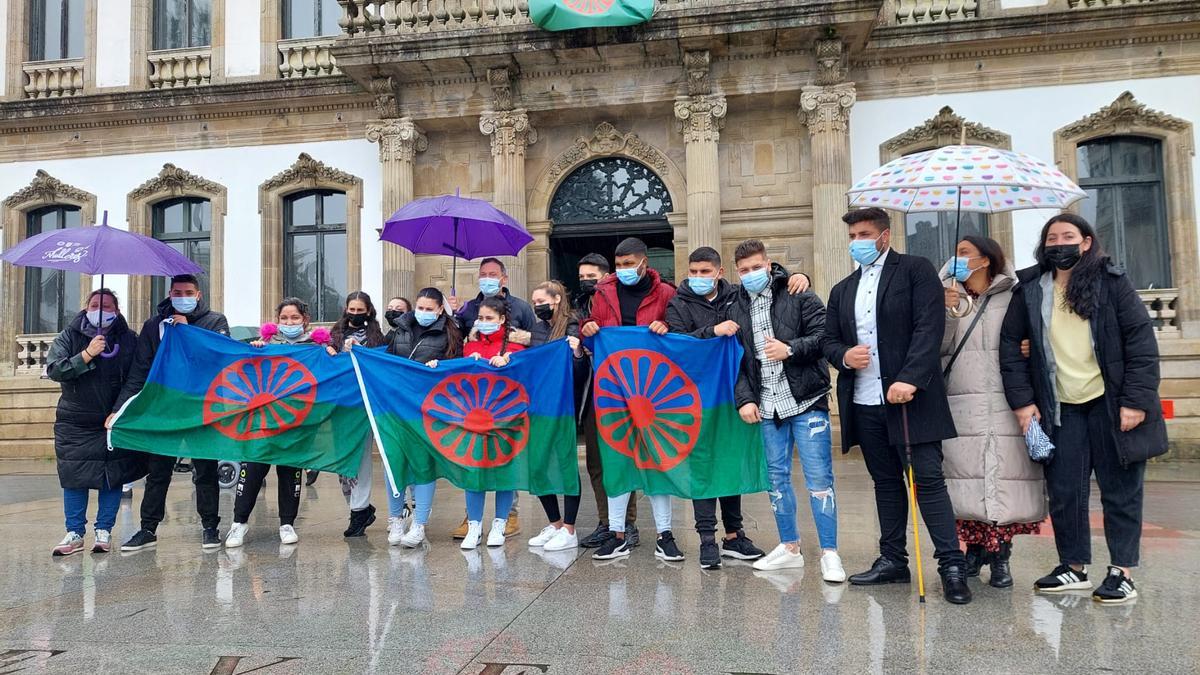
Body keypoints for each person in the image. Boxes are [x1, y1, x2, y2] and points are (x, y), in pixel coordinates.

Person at [1000, 214, 1166, 604]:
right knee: (1065, 491)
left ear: (1086, 242)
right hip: (1061, 407)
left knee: (1120, 490)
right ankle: (1072, 566)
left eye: (1068, 236)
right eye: (1052, 237)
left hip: (1111, 405)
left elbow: (1141, 344)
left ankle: (1121, 571)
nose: (1060, 243)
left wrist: (1135, 402)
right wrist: (1024, 405)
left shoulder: (1112, 283)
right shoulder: (1029, 289)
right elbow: (1011, 349)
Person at [821, 207, 971, 605]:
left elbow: (929, 326)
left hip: (911, 398)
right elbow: (828, 339)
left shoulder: (915, 271)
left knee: (927, 480)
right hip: (865, 400)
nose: (858, 242)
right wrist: (843, 355)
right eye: (853, 235)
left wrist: (910, 377)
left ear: (885, 236)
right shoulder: (842, 289)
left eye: (865, 234)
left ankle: (951, 564)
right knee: (885, 483)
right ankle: (892, 559)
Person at [719, 240, 846, 582]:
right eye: (743, 270)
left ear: (768, 264)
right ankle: (789, 547)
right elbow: (736, 362)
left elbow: (825, 338)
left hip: (806, 400)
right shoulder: (733, 306)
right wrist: (744, 399)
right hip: (767, 406)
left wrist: (790, 348)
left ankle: (830, 553)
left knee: (819, 479)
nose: (750, 275)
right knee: (776, 480)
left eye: (755, 267)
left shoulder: (798, 293)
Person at [940, 236, 1046, 589]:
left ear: (985, 260)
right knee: (966, 481)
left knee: (1003, 480)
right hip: (961, 402)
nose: (957, 259)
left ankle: (1001, 557)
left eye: (964, 254)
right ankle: (972, 551)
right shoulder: (946, 294)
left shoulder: (1015, 296)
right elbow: (936, 348)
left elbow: (1034, 338)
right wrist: (947, 311)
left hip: (1005, 401)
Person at [664, 246, 767, 570]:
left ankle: (735, 536)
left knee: (730, 464)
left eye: (705, 272)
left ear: (720, 273)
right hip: (696, 400)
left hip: (735, 395)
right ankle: (707, 540)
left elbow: (770, 290)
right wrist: (712, 331)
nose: (698, 277)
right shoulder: (678, 304)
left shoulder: (738, 296)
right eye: (693, 272)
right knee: (703, 468)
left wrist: (798, 278)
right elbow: (679, 346)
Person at [110, 274, 230, 552]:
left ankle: (210, 527)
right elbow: (140, 371)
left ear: (198, 295)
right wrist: (119, 409)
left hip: (202, 408)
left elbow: (221, 360)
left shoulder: (215, 321)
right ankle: (148, 528)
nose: (183, 296)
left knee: (205, 471)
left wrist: (190, 334)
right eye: (177, 292)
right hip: (164, 409)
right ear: (170, 293)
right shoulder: (154, 326)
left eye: (188, 292)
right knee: (158, 471)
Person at [581, 237, 681, 562]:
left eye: (628, 264)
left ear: (643, 263)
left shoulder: (667, 293)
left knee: (656, 459)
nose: (623, 270)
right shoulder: (603, 292)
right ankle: (618, 533)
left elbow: (679, 328)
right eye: (618, 264)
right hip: (612, 390)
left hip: (653, 392)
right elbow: (588, 327)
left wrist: (666, 326)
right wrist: (589, 326)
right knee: (616, 460)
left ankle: (665, 534)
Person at [225, 298, 329, 548]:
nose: (289, 323)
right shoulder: (264, 346)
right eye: (284, 319)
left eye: (294, 318)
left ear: (305, 320)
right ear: (277, 321)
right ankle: (239, 523)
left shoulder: (316, 348)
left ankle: (287, 524)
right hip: (264, 420)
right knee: (252, 469)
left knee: (290, 471)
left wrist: (330, 353)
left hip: (296, 422)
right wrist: (256, 351)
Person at [48, 289, 145, 555]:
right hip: (76, 420)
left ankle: (104, 530)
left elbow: (137, 378)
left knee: (112, 475)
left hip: (112, 420)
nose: (100, 309)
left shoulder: (129, 339)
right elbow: (55, 370)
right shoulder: (69, 336)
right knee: (74, 474)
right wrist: (87, 355)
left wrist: (118, 411)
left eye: (107, 305)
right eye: (94, 304)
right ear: (85, 307)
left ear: (117, 310)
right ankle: (74, 532)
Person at [448, 257, 533, 539]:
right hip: (475, 411)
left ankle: (507, 516)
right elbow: (456, 336)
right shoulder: (469, 309)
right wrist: (451, 312)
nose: (487, 278)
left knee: (505, 464)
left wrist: (510, 358)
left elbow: (536, 344)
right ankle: (472, 520)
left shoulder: (521, 307)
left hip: (506, 409)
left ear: (504, 278)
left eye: (492, 274)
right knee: (474, 465)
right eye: (483, 274)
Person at [384, 287, 463, 547]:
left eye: (430, 309)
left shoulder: (451, 332)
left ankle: (419, 524)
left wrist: (441, 368)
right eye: (420, 307)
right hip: (396, 407)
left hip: (427, 410)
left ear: (440, 309)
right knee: (392, 463)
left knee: (422, 465)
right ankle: (395, 519)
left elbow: (457, 369)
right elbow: (385, 358)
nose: (424, 313)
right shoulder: (400, 329)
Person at [526, 281, 587, 552]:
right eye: (534, 301)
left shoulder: (573, 324)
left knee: (565, 465)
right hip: (538, 404)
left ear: (557, 300)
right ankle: (555, 524)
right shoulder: (536, 329)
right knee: (537, 464)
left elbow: (580, 370)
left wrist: (576, 352)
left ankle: (570, 529)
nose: (536, 306)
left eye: (541, 300)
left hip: (564, 406)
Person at [572, 253, 628, 549]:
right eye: (581, 277)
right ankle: (606, 522)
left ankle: (626, 524)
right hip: (594, 392)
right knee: (595, 461)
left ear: (606, 276)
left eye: (591, 277)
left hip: (623, 392)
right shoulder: (580, 308)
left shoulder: (621, 301)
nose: (586, 282)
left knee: (623, 457)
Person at [330, 291, 388, 538]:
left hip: (363, 407)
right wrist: (334, 352)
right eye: (351, 309)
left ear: (368, 310)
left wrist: (359, 352)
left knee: (361, 459)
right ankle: (357, 508)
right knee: (342, 462)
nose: (354, 314)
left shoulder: (377, 337)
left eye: (359, 310)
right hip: (339, 405)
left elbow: (381, 364)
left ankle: (359, 510)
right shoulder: (333, 335)